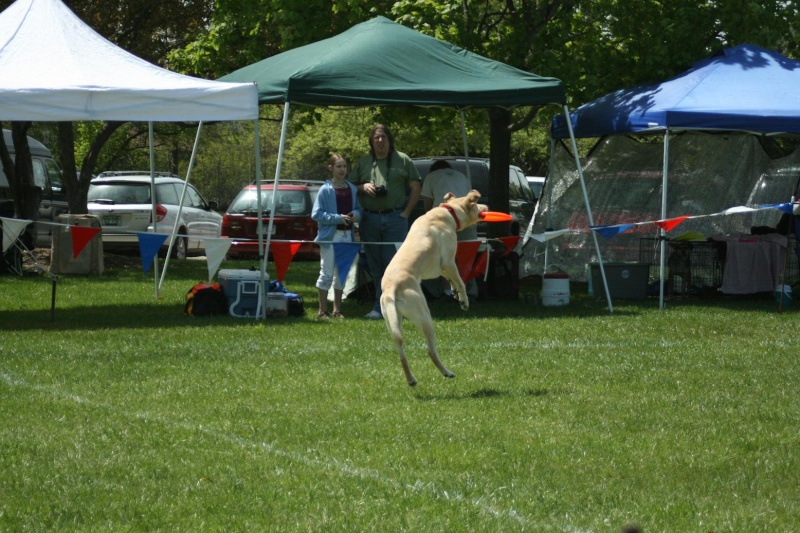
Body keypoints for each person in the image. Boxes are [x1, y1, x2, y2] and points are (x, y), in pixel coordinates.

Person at [349, 124, 421, 319]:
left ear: (390, 140)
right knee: (375, 265)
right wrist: (363, 187)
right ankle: (381, 306)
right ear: (371, 142)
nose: (380, 141)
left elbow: (416, 186)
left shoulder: (403, 159)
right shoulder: (364, 162)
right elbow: (348, 186)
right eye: (376, 138)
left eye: (383, 137)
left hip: (396, 218)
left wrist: (406, 212)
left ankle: (392, 306)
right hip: (370, 218)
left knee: (395, 264)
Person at [420, 159, 479, 301]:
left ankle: (448, 293)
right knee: (466, 256)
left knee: (444, 256)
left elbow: (427, 205)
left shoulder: (431, 177)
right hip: (468, 218)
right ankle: (469, 291)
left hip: (445, 220)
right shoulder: (462, 176)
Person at [311, 154, 361, 319]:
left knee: (342, 273)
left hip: (348, 237)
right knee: (326, 273)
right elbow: (316, 214)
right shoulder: (325, 190)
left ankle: (337, 310)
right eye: (338, 166)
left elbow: (359, 210)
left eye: (344, 167)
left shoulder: (352, 188)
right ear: (330, 168)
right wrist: (338, 218)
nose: (342, 170)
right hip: (331, 237)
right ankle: (322, 311)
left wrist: (355, 215)